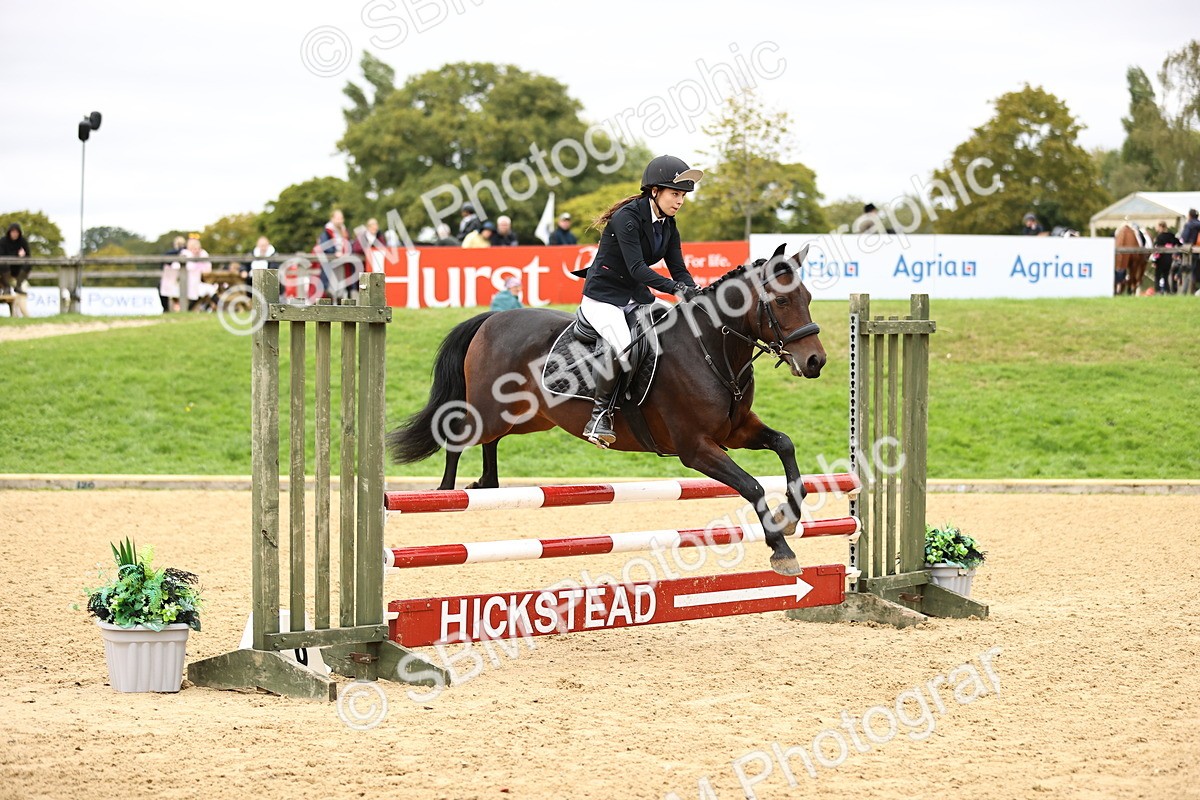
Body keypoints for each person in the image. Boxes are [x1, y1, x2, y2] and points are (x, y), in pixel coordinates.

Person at [570, 154, 702, 447]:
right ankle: (599, 416)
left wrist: (696, 292)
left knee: (677, 328)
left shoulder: (668, 224)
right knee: (623, 344)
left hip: (635, 296)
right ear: (655, 191)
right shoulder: (627, 217)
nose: (680, 201)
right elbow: (637, 269)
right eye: (675, 194)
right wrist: (677, 289)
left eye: (682, 196)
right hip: (604, 297)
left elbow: (678, 268)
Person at [317, 209, 351, 299]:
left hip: (342, 262)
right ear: (332, 219)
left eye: (341, 218)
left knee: (341, 286)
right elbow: (325, 246)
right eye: (338, 218)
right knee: (331, 287)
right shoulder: (327, 232)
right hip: (330, 261)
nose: (340, 220)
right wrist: (334, 252)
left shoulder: (344, 231)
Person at [158, 235, 187, 312]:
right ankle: (166, 309)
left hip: (184, 279)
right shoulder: (171, 253)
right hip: (173, 279)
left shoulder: (186, 252)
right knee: (162, 286)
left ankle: (166, 309)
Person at [1151, 222, 1179, 294]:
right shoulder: (1171, 236)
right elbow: (1178, 243)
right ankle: (1168, 291)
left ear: (1161, 227)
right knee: (1166, 276)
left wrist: (1154, 261)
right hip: (1169, 259)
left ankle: (1158, 291)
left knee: (1157, 276)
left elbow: (1156, 250)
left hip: (1160, 259)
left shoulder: (1159, 237)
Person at [1180, 208, 1200, 296]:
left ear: (1190, 215)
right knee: (1195, 271)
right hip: (1197, 250)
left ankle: (1185, 292)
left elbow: (1184, 238)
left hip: (1188, 250)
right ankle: (1193, 291)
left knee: (1186, 271)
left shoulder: (1189, 225)